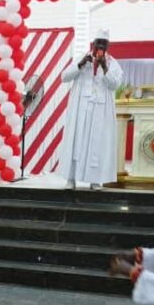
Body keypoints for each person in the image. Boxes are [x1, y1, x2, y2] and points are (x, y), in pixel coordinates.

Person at [57, 29, 123, 190]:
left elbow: (115, 84)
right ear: (92, 44)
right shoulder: (82, 58)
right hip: (80, 109)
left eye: (104, 43)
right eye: (98, 42)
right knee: (76, 141)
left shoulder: (112, 63)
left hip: (101, 111)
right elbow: (64, 77)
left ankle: (96, 180)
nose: (100, 46)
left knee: (98, 143)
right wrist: (80, 65)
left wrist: (104, 68)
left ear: (108, 46)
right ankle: (71, 179)